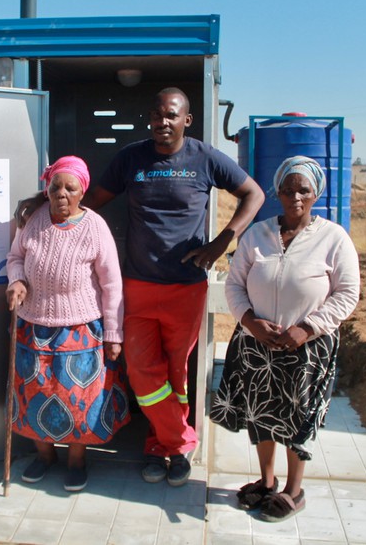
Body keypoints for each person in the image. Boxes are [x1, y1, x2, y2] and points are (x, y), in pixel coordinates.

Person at [16, 87, 265, 486]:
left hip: (186, 288)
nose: (162, 123)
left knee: (175, 375)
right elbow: (89, 199)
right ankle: (180, 443)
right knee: (143, 374)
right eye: (157, 115)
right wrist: (43, 202)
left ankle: (160, 447)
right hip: (138, 285)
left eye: (171, 116)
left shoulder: (204, 158)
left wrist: (222, 241)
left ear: (187, 120)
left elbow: (254, 193)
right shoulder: (132, 158)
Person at [210, 156, 360, 521]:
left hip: (307, 347)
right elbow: (234, 284)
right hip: (257, 342)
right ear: (277, 191)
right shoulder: (257, 234)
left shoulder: (333, 238)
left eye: (304, 189)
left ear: (316, 193)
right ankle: (265, 481)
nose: (295, 196)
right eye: (288, 189)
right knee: (260, 413)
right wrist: (251, 322)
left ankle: (294, 490)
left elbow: (347, 293)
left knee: (299, 417)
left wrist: (306, 328)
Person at [5, 155, 130, 493]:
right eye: (55, 186)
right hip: (33, 325)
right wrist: (16, 281)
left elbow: (112, 284)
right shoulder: (33, 220)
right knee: (35, 395)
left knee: (77, 400)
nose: (61, 193)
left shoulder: (95, 227)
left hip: (81, 330)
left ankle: (77, 461)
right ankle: (44, 456)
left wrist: (114, 336)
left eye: (69, 188)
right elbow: (15, 257)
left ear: (81, 192)